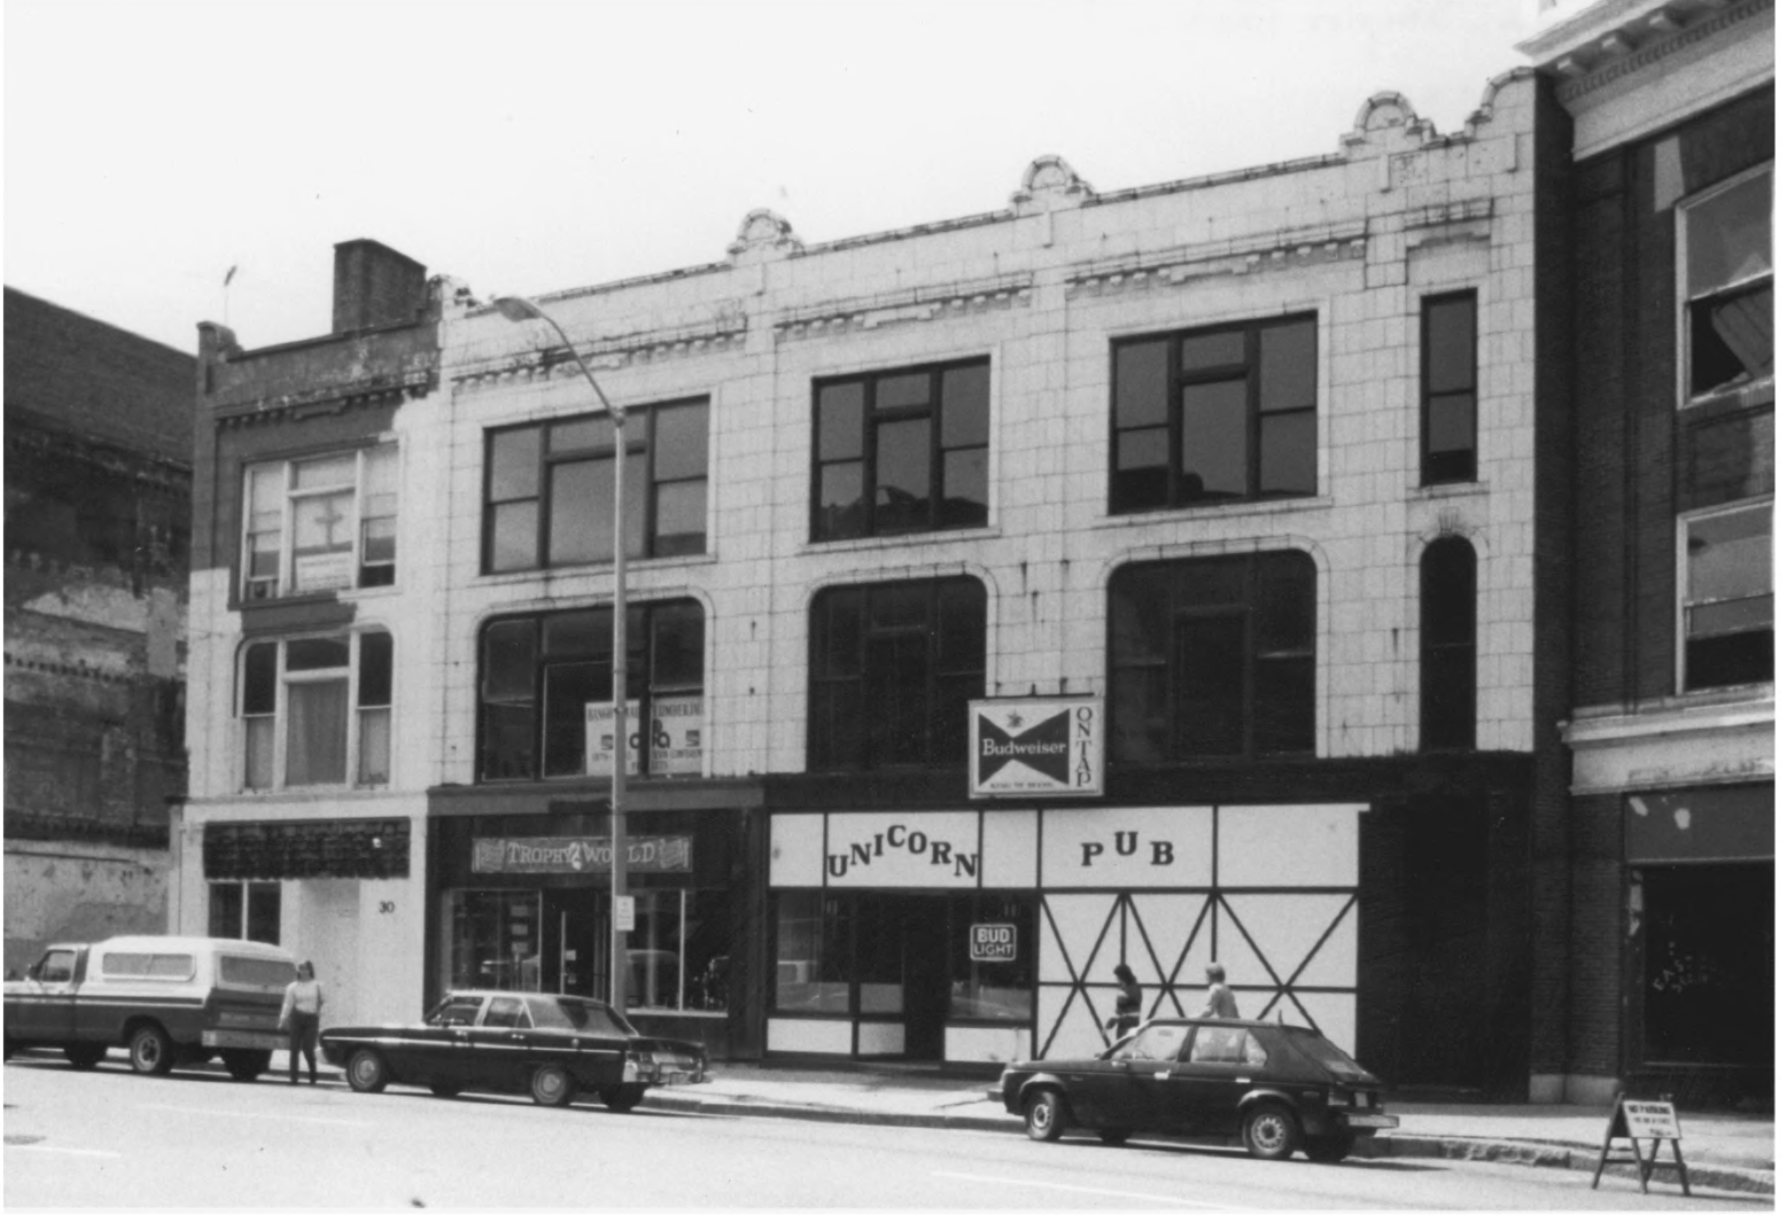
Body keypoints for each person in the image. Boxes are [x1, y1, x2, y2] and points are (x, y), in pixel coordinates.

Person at [280, 961, 324, 1085]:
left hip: (311, 1018)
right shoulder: (293, 986)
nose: (303, 971)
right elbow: (288, 1003)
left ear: (310, 970)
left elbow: (324, 1001)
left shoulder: (317, 985)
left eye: (305, 968)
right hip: (297, 1017)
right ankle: (293, 1078)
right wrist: (283, 1018)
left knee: (308, 1048)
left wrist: (320, 1013)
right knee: (294, 1048)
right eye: (300, 969)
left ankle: (313, 1075)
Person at [1108, 963, 1143, 1037]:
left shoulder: (1126, 990)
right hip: (1133, 1023)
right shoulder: (1136, 988)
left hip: (1125, 1025)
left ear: (1122, 977)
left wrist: (1109, 1025)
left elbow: (1119, 1011)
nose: (1117, 980)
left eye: (1118, 977)